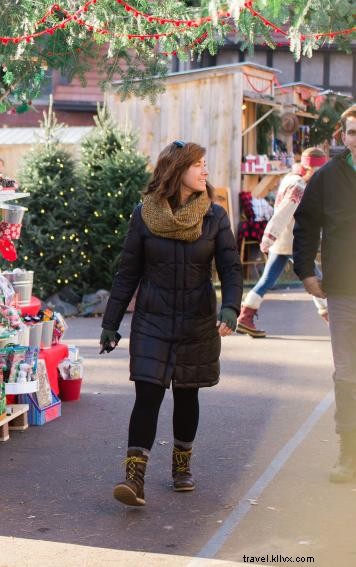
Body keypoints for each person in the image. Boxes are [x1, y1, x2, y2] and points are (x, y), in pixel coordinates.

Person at [100, 141, 242, 507]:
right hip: (153, 320)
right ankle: (134, 479)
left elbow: (229, 266)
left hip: (196, 321)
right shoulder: (145, 214)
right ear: (177, 171)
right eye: (198, 164)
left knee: (187, 393)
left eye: (204, 164)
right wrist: (111, 322)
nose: (204, 171)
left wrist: (230, 307)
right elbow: (128, 270)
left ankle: (182, 466)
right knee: (147, 394)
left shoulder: (214, 216)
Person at [293, 105, 356, 483]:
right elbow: (305, 224)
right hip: (344, 290)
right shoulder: (328, 177)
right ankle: (348, 453)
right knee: (348, 373)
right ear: (343, 137)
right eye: (352, 132)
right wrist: (305, 271)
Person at [237, 148, 329, 337]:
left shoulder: (291, 177)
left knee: (267, 280)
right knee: (314, 277)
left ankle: (245, 316)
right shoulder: (300, 185)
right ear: (312, 168)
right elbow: (283, 213)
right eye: (321, 170)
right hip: (292, 240)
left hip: (285, 240)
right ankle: (333, 318)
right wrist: (268, 237)